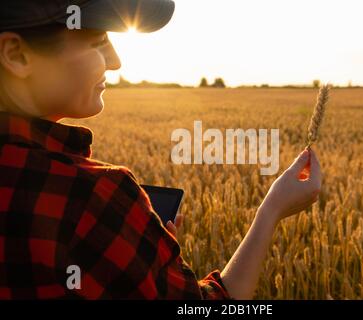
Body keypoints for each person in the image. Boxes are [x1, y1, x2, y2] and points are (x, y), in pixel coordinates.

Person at [0, 0, 321, 299]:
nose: (115, 61)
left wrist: (143, 262)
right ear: (16, 55)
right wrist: (270, 213)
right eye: (97, 41)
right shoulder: (93, 194)